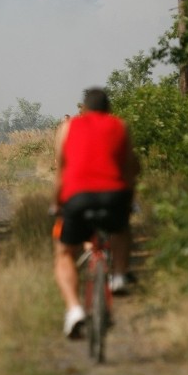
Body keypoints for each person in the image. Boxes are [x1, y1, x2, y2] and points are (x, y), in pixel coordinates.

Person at [53, 87, 139, 338]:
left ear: (84, 108)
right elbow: (131, 167)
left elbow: (61, 169)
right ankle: (120, 275)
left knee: (64, 253)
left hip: (77, 197)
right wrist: (130, 199)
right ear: (108, 107)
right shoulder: (120, 126)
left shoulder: (68, 127)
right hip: (114, 196)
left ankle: (74, 309)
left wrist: (56, 203)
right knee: (122, 228)